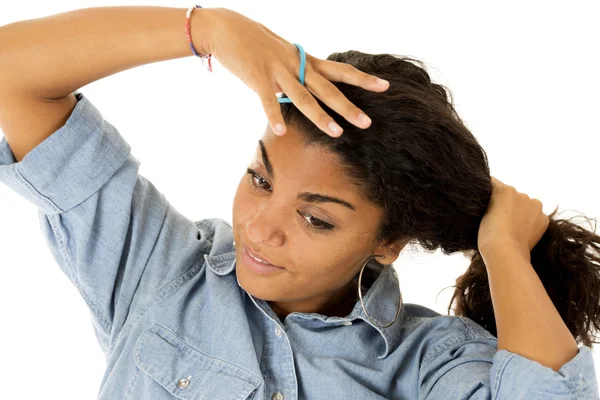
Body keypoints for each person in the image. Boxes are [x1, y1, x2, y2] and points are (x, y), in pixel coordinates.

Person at [0, 5, 598, 400]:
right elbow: (11, 75)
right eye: (260, 179)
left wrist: (504, 251)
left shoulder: (427, 365)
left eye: (315, 218)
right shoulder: (157, 271)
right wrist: (207, 29)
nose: (260, 229)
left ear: (388, 243)